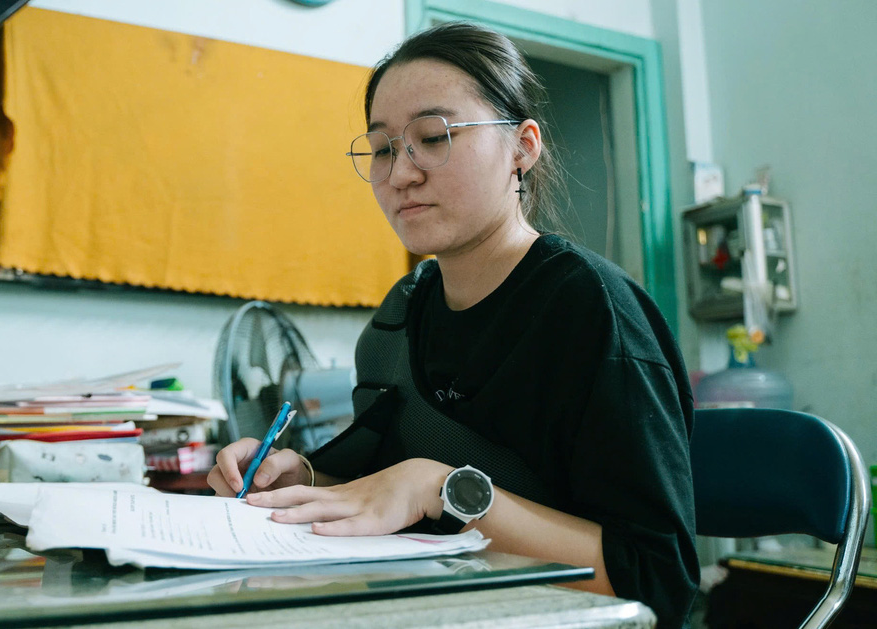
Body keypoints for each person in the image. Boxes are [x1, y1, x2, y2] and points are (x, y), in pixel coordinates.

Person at [207, 21, 698, 629]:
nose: (400, 175)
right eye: (384, 148)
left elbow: (656, 581)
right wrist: (303, 475)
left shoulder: (592, 314)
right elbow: (383, 474)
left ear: (523, 146)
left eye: (434, 137)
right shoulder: (400, 316)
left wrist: (442, 488)